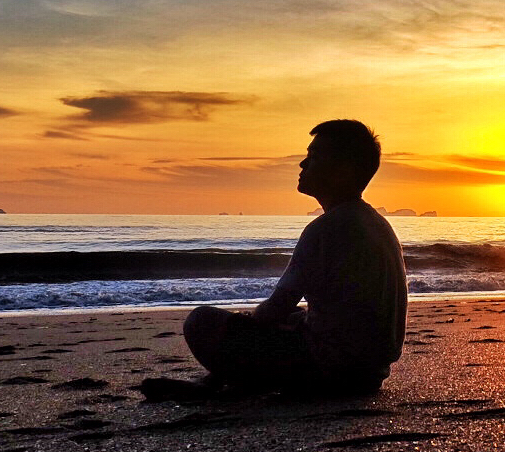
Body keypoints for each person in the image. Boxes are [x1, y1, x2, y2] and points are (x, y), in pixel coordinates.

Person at [171, 119, 407, 398]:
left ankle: (224, 382)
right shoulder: (376, 224)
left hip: (329, 372)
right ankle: (217, 381)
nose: (302, 165)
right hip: (368, 373)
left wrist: (246, 322)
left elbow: (276, 308)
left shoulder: (326, 228)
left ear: (343, 171)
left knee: (201, 321)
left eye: (314, 157)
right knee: (297, 317)